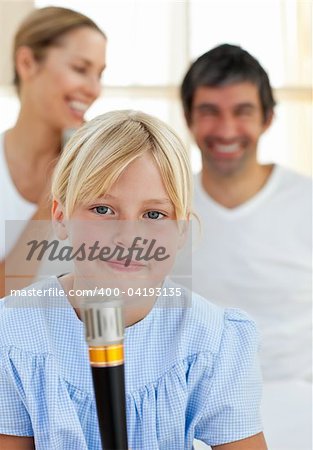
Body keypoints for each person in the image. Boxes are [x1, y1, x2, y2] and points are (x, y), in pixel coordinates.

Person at [0, 110, 267, 449]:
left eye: (153, 214)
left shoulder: (213, 339)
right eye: (102, 210)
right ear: (60, 217)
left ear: (182, 229)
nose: (128, 237)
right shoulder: (11, 334)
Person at [181, 44, 312, 448]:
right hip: (192, 410)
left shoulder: (304, 200)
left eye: (242, 111)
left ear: (268, 118)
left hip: (297, 400)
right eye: (209, 111)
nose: (225, 130)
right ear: (188, 118)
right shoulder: (163, 205)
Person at [0, 6, 107, 298]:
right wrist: (53, 190)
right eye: (80, 69)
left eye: (99, 74)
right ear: (27, 63)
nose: (94, 89)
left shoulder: (94, 177)